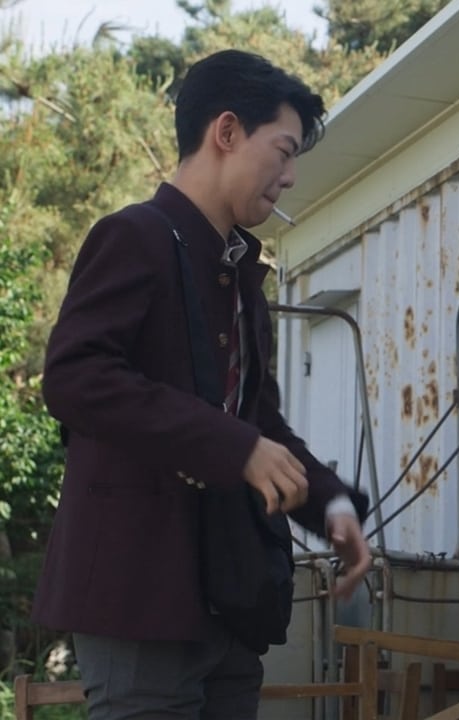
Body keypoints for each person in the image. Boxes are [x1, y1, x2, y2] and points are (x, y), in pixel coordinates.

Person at [33, 49, 372, 718]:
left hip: (230, 600)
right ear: (227, 132)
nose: (291, 176)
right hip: (138, 593)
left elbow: (259, 426)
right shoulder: (132, 236)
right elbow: (75, 376)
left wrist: (331, 504)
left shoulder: (241, 275)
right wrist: (233, 446)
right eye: (283, 150)